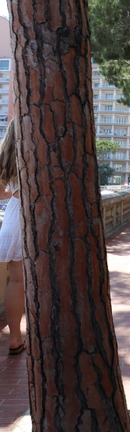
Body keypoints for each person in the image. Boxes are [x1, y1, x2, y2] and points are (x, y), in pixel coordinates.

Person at [0, 120, 25, 355]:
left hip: (13, 218)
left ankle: (15, 338)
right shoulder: (37, 150)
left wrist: (15, 191)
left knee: (17, 281)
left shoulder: (6, 154)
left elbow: (0, 192)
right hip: (33, 218)